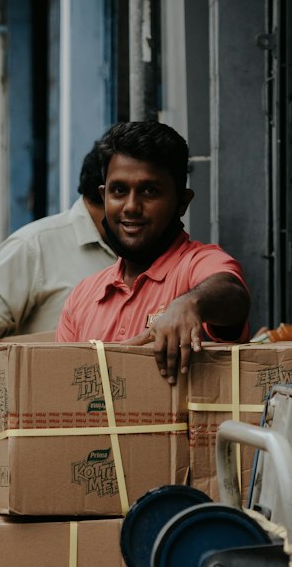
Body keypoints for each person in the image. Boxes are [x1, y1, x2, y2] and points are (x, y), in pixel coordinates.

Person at [56, 120, 250, 383]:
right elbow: (60, 389)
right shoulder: (82, 298)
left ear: (182, 202)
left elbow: (234, 295)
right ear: (104, 197)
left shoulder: (197, 264)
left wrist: (191, 304)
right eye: (119, 191)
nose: (131, 206)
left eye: (150, 191)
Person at [0, 145, 115, 401]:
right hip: (51, 421)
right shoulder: (35, 245)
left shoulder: (155, 253)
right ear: (106, 193)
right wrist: (6, 418)